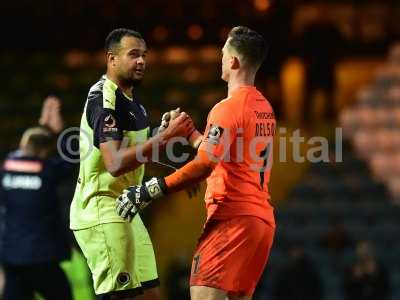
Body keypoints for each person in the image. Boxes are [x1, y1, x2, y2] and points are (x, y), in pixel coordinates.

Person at [116, 26, 276, 300]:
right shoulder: (264, 108)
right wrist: (188, 131)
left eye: (223, 53)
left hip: (230, 219)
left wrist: (151, 189)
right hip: (261, 224)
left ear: (233, 62)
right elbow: (224, 157)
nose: (220, 57)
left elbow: (204, 164)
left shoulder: (227, 108)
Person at [70, 28, 195, 300]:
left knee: (150, 294)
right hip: (102, 211)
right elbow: (114, 162)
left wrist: (160, 133)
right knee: (121, 296)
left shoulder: (131, 101)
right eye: (133, 55)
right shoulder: (105, 101)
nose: (141, 61)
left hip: (126, 208)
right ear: (111, 59)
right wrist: (166, 138)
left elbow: (136, 147)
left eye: (144, 55)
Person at [0, 96, 73, 300]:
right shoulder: (47, 169)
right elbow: (72, 158)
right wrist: (58, 132)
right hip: (42, 258)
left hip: (12, 257)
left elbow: (32, 144)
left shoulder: (6, 169)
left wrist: (42, 128)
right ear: (43, 152)